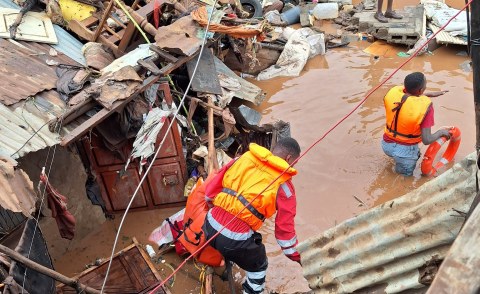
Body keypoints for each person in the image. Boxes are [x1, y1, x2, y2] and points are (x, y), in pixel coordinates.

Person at [203, 138, 301, 294]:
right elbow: (284, 236)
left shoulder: (243, 158)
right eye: (294, 163)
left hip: (208, 224)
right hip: (234, 238)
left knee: (238, 243)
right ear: (289, 159)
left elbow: (209, 193)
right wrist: (299, 257)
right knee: (259, 265)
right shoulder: (284, 185)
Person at [381, 72, 451, 176]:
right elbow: (426, 140)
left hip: (386, 145)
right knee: (404, 180)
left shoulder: (393, 92)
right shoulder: (426, 107)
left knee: (396, 168)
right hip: (405, 152)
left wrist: (429, 94)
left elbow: (407, 97)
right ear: (420, 90)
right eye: (425, 85)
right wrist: (441, 132)